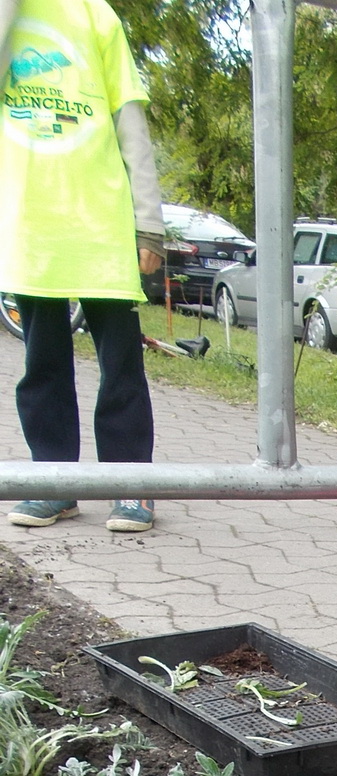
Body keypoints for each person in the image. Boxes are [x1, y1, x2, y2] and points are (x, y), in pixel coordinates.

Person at [0, 0, 163, 533]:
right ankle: (54, 483)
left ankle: (131, 485)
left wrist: (148, 224)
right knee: (41, 361)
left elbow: (130, 123)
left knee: (120, 363)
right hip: (30, 224)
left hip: (99, 222)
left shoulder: (97, 15)